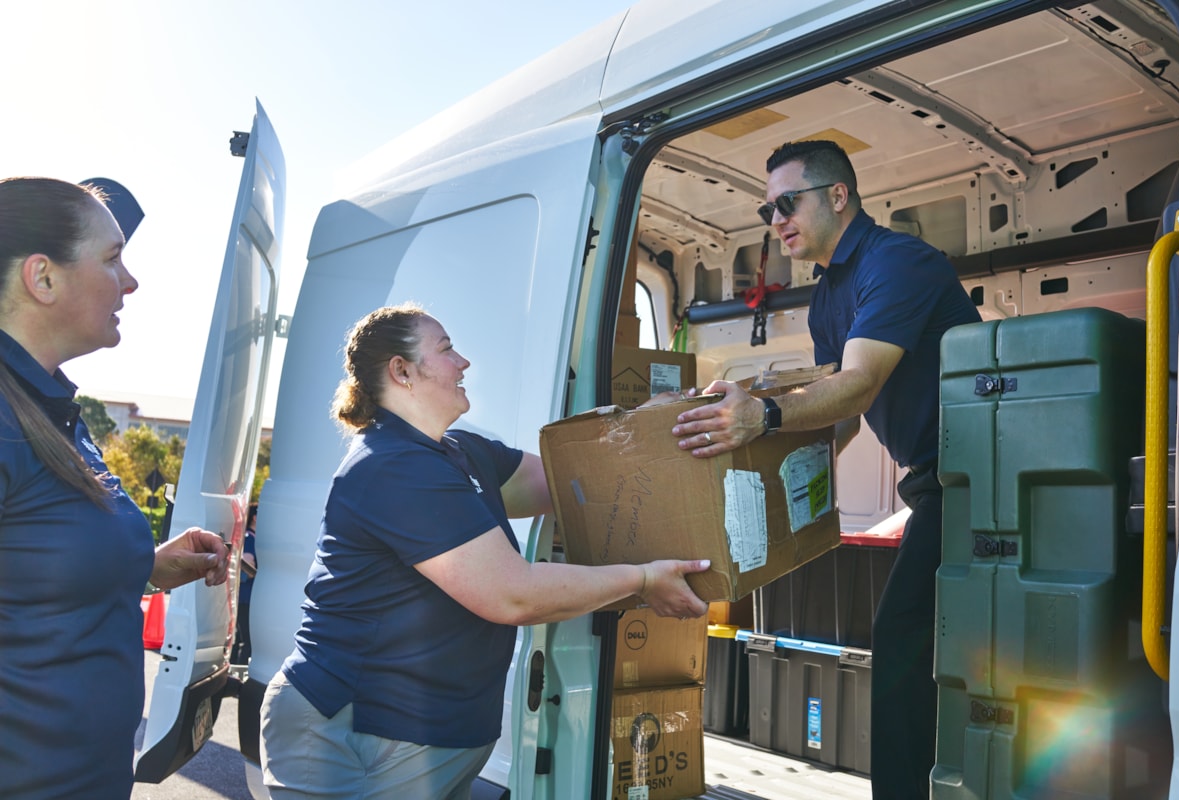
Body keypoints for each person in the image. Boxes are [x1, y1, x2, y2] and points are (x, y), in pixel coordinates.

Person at [260, 304, 710, 800]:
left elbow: (573, 482)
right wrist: (644, 580)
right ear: (402, 371)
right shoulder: (392, 466)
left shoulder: (461, 452)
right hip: (354, 735)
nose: (464, 362)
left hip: (431, 738)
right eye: (447, 349)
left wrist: (660, 426)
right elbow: (512, 594)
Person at [671, 140, 981, 800]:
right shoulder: (825, 299)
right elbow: (833, 420)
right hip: (936, 483)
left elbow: (859, 385)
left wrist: (764, 417)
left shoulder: (896, 262)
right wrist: (764, 489)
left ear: (837, 196)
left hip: (975, 477)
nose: (775, 220)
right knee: (917, 640)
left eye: (787, 203)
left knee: (900, 636)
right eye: (767, 209)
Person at [0, 176, 232, 800]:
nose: (130, 282)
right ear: (42, 279)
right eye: (112, 258)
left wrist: (152, 566)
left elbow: (30, 573)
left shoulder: (47, 407)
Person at [232, 502, 258, 665]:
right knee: (247, 641)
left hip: (247, 598)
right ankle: (238, 670)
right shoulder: (249, 539)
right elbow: (247, 566)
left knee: (242, 639)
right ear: (254, 518)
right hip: (245, 598)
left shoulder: (253, 538)